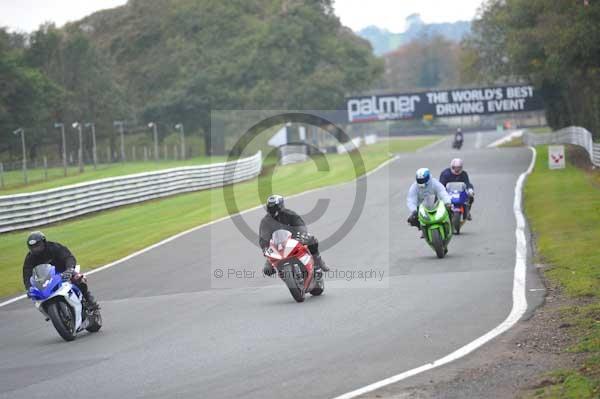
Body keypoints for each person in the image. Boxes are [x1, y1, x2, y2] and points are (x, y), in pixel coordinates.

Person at [22, 231, 100, 311]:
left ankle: (89, 300)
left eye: (38, 246)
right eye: (33, 247)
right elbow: (27, 273)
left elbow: (68, 257)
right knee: (38, 296)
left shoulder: (54, 247)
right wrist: (29, 287)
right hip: (47, 279)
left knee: (78, 279)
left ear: (44, 242)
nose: (36, 249)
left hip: (64, 271)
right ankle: (49, 310)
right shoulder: (30, 258)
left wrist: (69, 269)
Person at [259, 195, 329, 276]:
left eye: (275, 207)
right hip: (277, 247)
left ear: (280, 206)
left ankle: (318, 261)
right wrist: (265, 248)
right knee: (266, 270)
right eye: (271, 208)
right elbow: (263, 237)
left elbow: (300, 225)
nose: (273, 211)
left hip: (294, 240)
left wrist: (302, 234)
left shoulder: (290, 214)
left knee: (311, 240)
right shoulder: (265, 221)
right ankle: (282, 273)